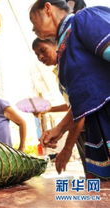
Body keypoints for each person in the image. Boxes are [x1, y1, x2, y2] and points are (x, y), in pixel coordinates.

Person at [29, 0, 110, 179]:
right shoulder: (64, 48)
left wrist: (67, 148)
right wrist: (59, 130)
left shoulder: (82, 19)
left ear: (48, 8)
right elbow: (85, 100)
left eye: (34, 22)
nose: (33, 29)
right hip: (98, 128)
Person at [32, 37, 86, 174]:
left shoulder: (71, 65)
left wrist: (67, 148)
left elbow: (82, 106)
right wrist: (50, 110)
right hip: (81, 130)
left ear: (57, 45)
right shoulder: (59, 71)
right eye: (37, 55)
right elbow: (72, 105)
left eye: (43, 50)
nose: (40, 57)